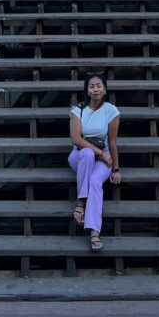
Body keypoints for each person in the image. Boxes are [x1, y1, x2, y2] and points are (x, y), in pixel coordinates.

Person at [68, 71, 121, 251]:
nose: (96, 89)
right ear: (87, 90)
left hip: (103, 156)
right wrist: (100, 153)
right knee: (87, 154)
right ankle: (81, 200)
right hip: (80, 155)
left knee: (95, 181)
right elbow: (76, 139)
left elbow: (112, 142)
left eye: (99, 86)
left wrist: (116, 169)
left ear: (105, 89)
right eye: (92, 86)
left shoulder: (111, 111)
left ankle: (94, 232)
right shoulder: (78, 110)